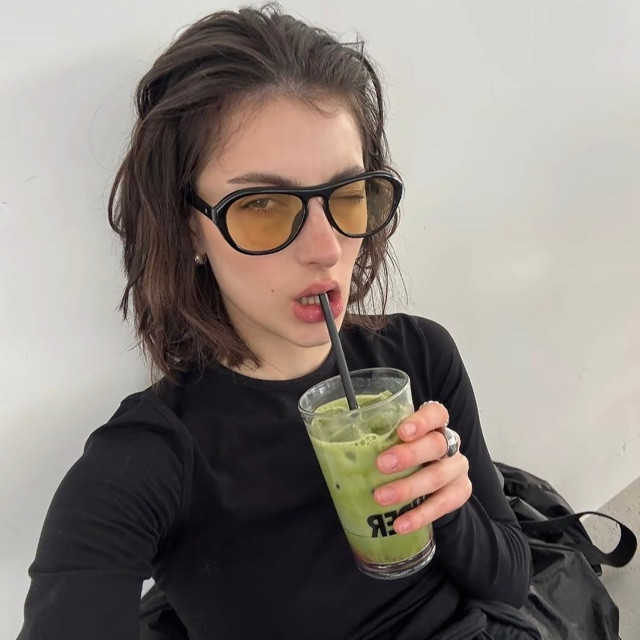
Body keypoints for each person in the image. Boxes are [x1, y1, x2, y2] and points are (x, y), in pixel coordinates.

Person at [17, 5, 536, 639]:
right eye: (261, 204)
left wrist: (446, 505)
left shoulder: (419, 355)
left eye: (348, 194)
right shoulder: (152, 458)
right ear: (189, 227)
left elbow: (510, 583)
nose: (326, 248)